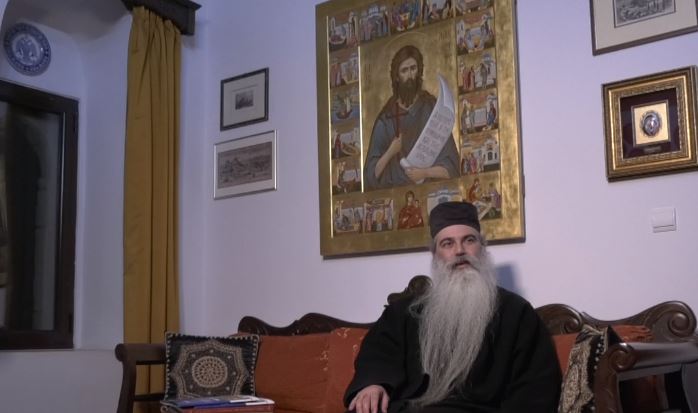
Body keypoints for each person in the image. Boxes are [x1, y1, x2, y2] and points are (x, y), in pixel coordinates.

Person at [345, 201, 561, 413]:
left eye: (469, 240)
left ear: (482, 248)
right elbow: (379, 353)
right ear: (435, 255)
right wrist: (374, 383)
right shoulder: (405, 312)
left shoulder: (517, 313)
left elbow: (535, 388)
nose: (459, 251)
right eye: (447, 243)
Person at [363, 45, 460, 190]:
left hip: (429, 192)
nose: (409, 75)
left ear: (419, 71)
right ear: (396, 77)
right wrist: (390, 152)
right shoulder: (386, 119)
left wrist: (424, 173)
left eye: (413, 69)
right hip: (395, 193)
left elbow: (452, 167)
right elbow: (370, 177)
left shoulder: (431, 108)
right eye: (404, 70)